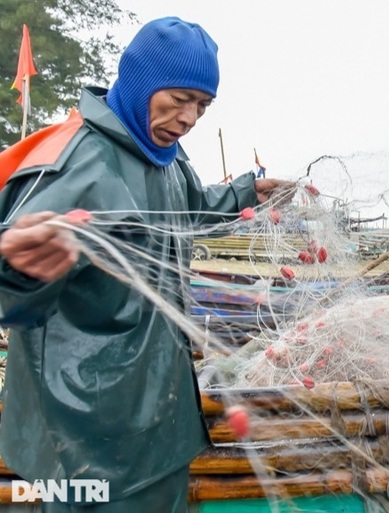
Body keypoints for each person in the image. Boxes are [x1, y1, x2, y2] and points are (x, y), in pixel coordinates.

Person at [0, 17, 293, 512]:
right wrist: (19, 270)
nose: (190, 117)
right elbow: (13, 280)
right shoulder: (73, 162)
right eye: (178, 99)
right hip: (84, 437)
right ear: (140, 82)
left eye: (202, 105)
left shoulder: (166, 158)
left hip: (157, 423)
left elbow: (187, 206)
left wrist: (245, 192)